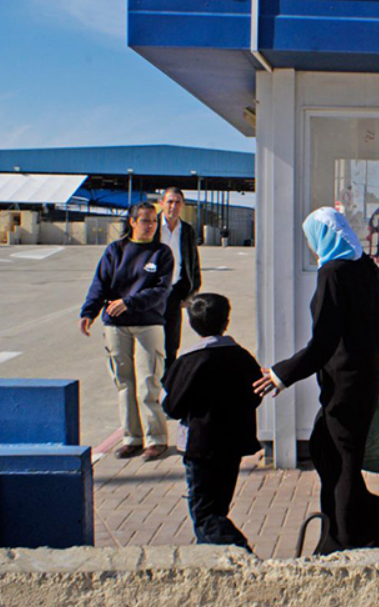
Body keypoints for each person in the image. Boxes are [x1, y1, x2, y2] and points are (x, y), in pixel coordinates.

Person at [253, 207, 379, 552]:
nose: (313, 247)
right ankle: (365, 519)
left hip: (346, 382)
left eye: (313, 239)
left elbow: (324, 342)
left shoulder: (333, 273)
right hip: (364, 376)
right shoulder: (366, 267)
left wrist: (279, 374)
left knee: (339, 461)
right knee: (329, 452)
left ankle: (343, 540)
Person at [162, 293, 261, 551]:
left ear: (192, 325)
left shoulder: (188, 361)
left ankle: (236, 549)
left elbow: (172, 406)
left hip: (200, 446)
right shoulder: (242, 356)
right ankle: (216, 551)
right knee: (219, 505)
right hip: (233, 443)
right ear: (226, 321)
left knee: (204, 513)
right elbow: (255, 394)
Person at [79, 202, 174, 460]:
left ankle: (156, 439)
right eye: (145, 220)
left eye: (154, 220)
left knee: (147, 383)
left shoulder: (161, 253)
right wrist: (89, 312)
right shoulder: (115, 250)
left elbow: (161, 290)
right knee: (124, 383)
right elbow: (100, 283)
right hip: (116, 326)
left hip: (148, 323)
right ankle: (132, 438)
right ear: (132, 222)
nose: (151, 225)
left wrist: (129, 302)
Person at [159, 187, 202, 373]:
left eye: (177, 202)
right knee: (152, 338)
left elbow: (193, 261)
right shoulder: (152, 226)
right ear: (162, 203)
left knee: (172, 340)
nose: (173, 206)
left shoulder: (187, 231)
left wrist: (192, 291)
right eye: (170, 201)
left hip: (175, 292)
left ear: (182, 205)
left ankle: (168, 379)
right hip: (152, 292)